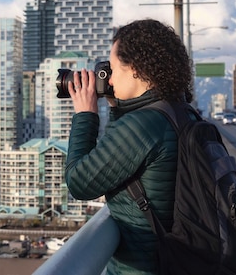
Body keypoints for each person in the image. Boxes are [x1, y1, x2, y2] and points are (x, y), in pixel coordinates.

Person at [64, 18, 193, 274]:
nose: (109, 80)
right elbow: (127, 161)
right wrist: (116, 107)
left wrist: (85, 115)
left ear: (134, 68)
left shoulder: (143, 125)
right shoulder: (182, 112)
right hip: (178, 260)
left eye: (112, 68)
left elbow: (79, 182)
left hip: (143, 268)